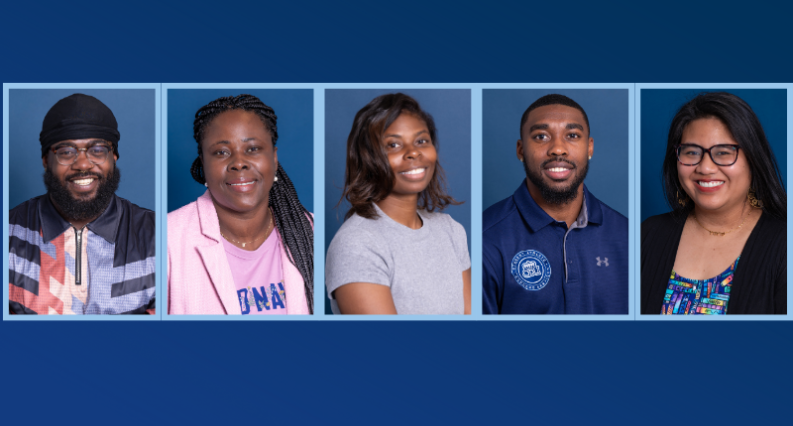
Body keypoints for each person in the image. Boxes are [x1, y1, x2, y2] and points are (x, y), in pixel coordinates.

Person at [8, 93, 155, 315]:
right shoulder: (9, 235)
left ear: (113, 156)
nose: (83, 163)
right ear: (46, 160)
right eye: (66, 152)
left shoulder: (158, 237)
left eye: (97, 150)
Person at [325, 93, 471, 315]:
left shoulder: (451, 231)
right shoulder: (356, 244)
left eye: (421, 141)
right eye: (393, 144)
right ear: (368, 158)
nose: (413, 152)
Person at [641, 92, 786, 315]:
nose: (705, 168)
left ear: (753, 158)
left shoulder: (784, 245)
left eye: (723, 152)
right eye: (691, 152)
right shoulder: (648, 234)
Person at [168, 94, 314, 315]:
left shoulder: (310, 230)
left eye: (252, 149)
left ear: (274, 159)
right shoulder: (164, 239)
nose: (238, 163)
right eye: (221, 152)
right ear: (203, 163)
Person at [483, 94, 628, 314]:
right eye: (541, 136)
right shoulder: (486, 238)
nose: (558, 149)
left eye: (572, 135)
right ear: (520, 150)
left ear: (590, 148)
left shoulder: (629, 235)